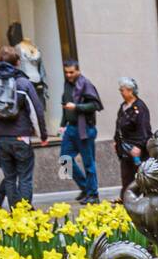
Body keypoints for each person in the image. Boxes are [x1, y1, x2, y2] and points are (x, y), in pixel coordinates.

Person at [0, 44, 48, 208]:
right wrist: (42, 135)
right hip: (21, 137)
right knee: (24, 176)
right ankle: (24, 211)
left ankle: (14, 211)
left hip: (1, 138)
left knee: (9, 177)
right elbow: (36, 111)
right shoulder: (23, 83)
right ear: (17, 62)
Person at [59, 59, 103, 204]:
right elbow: (65, 106)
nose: (69, 75)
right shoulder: (67, 85)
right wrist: (62, 124)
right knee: (64, 160)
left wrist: (77, 107)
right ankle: (85, 187)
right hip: (70, 128)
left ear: (78, 70)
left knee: (88, 163)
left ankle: (93, 195)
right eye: (66, 72)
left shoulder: (86, 84)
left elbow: (96, 105)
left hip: (85, 129)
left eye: (71, 72)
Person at [112, 77, 152, 193]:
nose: (121, 92)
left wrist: (139, 146)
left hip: (136, 148)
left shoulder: (140, 107)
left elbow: (144, 128)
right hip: (124, 148)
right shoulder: (123, 107)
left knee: (138, 175)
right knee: (126, 176)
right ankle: (127, 199)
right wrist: (116, 140)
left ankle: (141, 199)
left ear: (130, 91)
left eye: (122, 90)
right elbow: (118, 124)